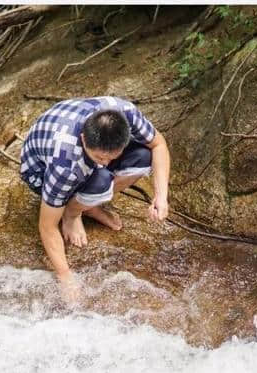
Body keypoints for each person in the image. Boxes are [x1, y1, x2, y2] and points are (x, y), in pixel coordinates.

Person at [20, 96, 170, 304]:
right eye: (101, 158)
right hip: (39, 171)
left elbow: (158, 144)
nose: (106, 163)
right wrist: (65, 276)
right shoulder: (64, 163)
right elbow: (47, 226)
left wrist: (161, 196)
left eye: (113, 157)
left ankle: (88, 204)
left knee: (143, 157)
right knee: (100, 179)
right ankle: (73, 213)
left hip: (72, 142)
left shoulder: (125, 112)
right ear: (83, 139)